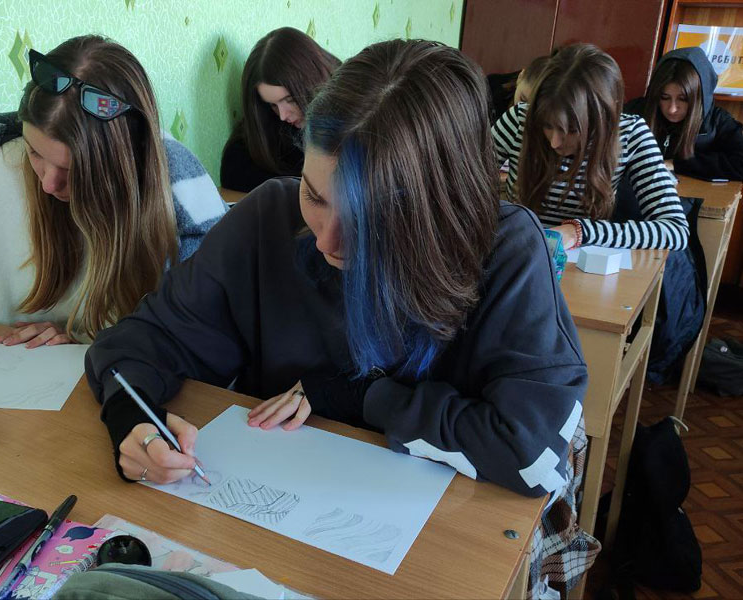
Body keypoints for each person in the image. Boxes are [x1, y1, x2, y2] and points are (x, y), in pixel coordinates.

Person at [87, 39, 597, 597]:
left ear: (438, 209)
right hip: (272, 546)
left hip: (441, 559)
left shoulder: (506, 252)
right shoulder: (268, 217)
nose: (328, 241)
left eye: (368, 220)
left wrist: (361, 396)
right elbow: (140, 341)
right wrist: (132, 421)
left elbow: (531, 454)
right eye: (315, 195)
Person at [0, 35, 226, 360]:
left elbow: (191, 333)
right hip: (6, 372)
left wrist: (88, 341)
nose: (49, 184)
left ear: (122, 166)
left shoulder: (175, 204)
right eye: (35, 152)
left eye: (73, 170)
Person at [492, 43, 689, 251]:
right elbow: (468, 186)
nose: (554, 142)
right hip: (518, 253)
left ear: (604, 119)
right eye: (547, 126)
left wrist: (579, 232)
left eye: (571, 130)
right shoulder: (519, 119)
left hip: (585, 262)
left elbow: (676, 230)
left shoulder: (630, 134)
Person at [219, 27, 340, 192]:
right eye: (273, 105)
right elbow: (233, 170)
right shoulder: (269, 121)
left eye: (290, 100)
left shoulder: (352, 111)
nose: (283, 115)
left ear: (312, 82)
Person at [625, 46, 743, 181]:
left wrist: (679, 164)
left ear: (699, 97)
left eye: (683, 99)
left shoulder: (717, 122)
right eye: (664, 97)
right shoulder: (635, 111)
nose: (672, 109)